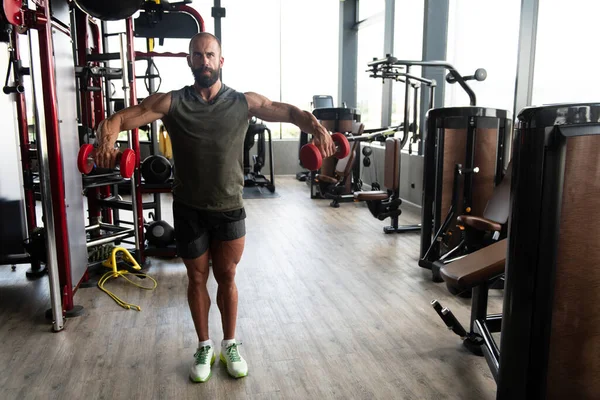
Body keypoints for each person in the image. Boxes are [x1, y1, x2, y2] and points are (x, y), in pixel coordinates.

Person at [94, 32, 335, 382]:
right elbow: (122, 117)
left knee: (227, 276)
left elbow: (288, 111)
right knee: (196, 278)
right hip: (189, 207)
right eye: (197, 55)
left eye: (210, 55)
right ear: (189, 61)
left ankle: (230, 343)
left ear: (220, 61)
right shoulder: (171, 102)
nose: (203, 60)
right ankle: (204, 345)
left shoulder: (242, 102)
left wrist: (317, 128)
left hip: (229, 207)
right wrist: (108, 137)